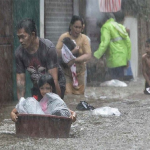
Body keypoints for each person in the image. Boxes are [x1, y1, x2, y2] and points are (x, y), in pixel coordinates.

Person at [15, 18, 66, 100]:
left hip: (56, 83)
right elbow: (20, 82)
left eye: (23, 37)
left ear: (33, 35)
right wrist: (20, 104)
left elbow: (54, 80)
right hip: (38, 85)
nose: (20, 41)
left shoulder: (48, 48)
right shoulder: (19, 53)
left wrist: (58, 103)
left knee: (51, 108)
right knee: (36, 109)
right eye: (18, 37)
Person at [11, 74, 77, 122]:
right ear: (39, 89)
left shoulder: (56, 101)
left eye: (47, 88)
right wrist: (12, 114)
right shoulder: (35, 100)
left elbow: (71, 112)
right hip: (37, 125)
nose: (45, 91)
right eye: (42, 88)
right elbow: (15, 110)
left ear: (52, 88)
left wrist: (73, 117)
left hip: (51, 126)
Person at [56, 15, 91, 95]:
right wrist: (70, 53)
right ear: (71, 26)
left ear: (82, 28)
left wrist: (74, 60)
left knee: (79, 95)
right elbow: (57, 51)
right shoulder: (64, 37)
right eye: (76, 27)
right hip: (66, 72)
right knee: (67, 93)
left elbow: (88, 55)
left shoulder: (84, 39)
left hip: (80, 72)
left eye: (79, 28)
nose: (77, 30)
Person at [94, 13, 131, 80]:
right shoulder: (120, 26)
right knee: (120, 82)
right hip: (122, 59)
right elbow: (128, 43)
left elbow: (105, 43)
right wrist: (127, 59)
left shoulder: (106, 26)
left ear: (103, 21)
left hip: (113, 59)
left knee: (113, 82)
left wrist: (96, 55)